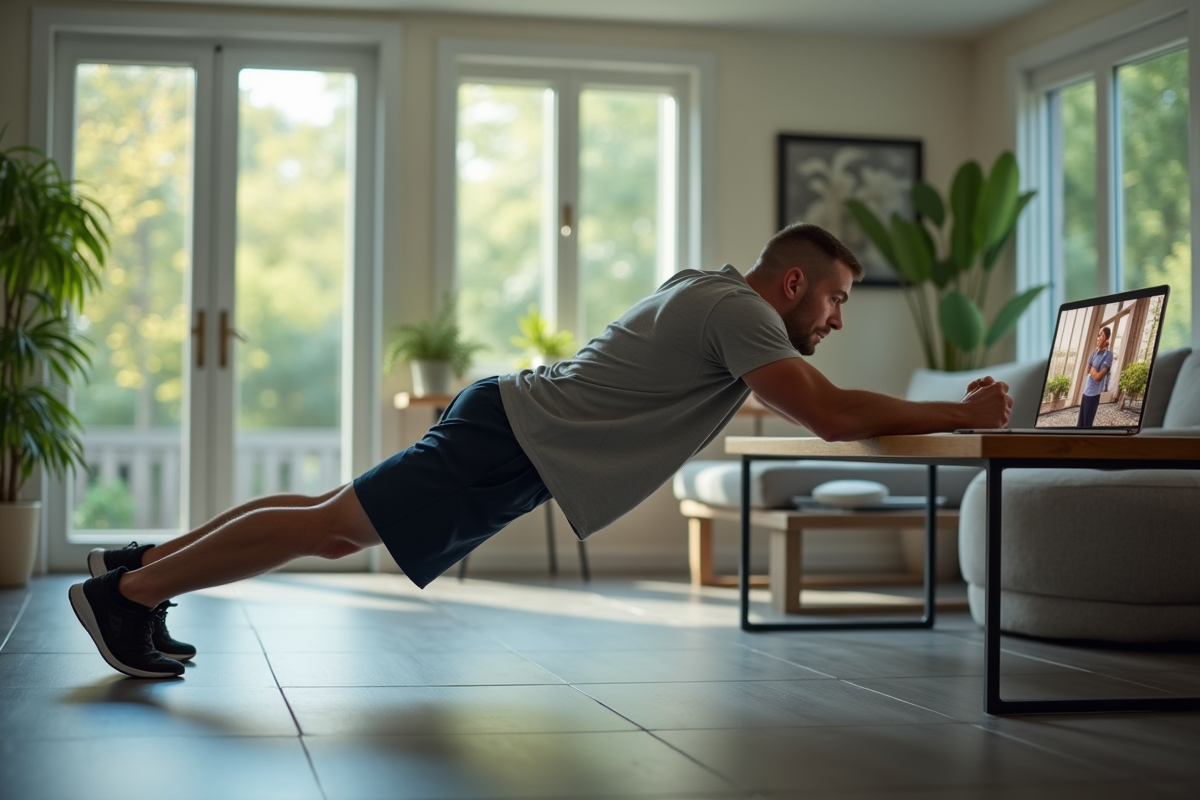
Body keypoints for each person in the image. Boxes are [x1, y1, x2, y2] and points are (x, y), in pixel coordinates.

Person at [69, 223, 1013, 679]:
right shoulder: (741, 312)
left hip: (512, 425)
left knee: (326, 517)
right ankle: (127, 596)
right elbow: (834, 416)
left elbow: (735, 397)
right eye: (838, 299)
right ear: (795, 280)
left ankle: (139, 571)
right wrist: (966, 412)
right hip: (514, 438)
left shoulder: (715, 297)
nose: (839, 318)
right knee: (328, 531)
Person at [1077, 326, 1113, 428]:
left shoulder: (1108, 355)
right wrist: (1094, 370)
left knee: (1087, 425)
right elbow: (1088, 369)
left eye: (1101, 336)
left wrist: (1093, 371)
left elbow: (1098, 377)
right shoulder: (1095, 353)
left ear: (1106, 339)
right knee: (1080, 424)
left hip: (1093, 395)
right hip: (1086, 392)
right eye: (1099, 335)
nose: (1098, 338)